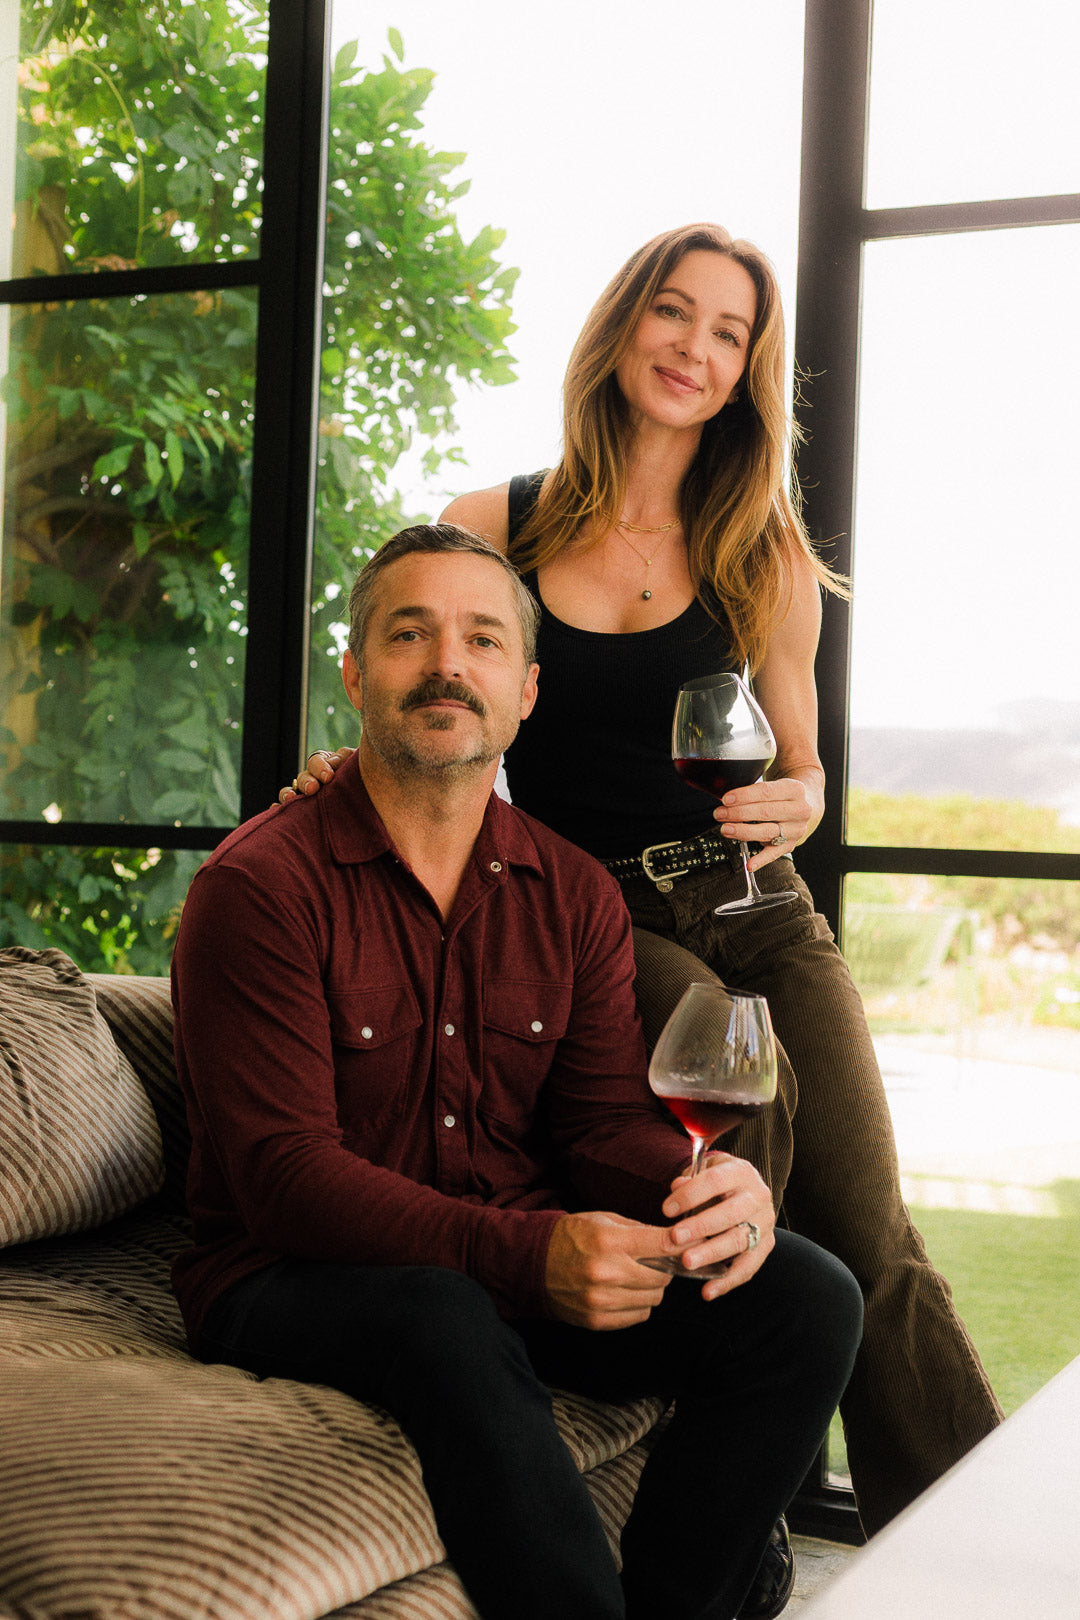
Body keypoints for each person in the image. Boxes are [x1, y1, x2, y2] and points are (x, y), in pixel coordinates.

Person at [286, 222, 1002, 1534]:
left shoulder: (763, 551)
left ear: (747, 372)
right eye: (676, 314)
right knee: (747, 1121)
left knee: (872, 1226)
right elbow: (432, 698)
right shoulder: (492, 523)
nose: (696, 348)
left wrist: (808, 795)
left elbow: (805, 768)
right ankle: (759, 1489)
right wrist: (330, 781)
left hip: (754, 903)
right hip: (604, 912)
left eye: (729, 333)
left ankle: (966, 1545)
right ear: (623, 328)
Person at [172, 524, 862, 1620]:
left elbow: (595, 1127)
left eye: (483, 639)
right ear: (355, 671)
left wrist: (693, 1190)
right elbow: (281, 1177)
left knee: (806, 1297)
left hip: (500, 1254)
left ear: (528, 689)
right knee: (444, 1316)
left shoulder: (574, 893)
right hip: (285, 1276)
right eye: (411, 634)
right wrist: (531, 1254)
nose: (449, 663)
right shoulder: (258, 888)